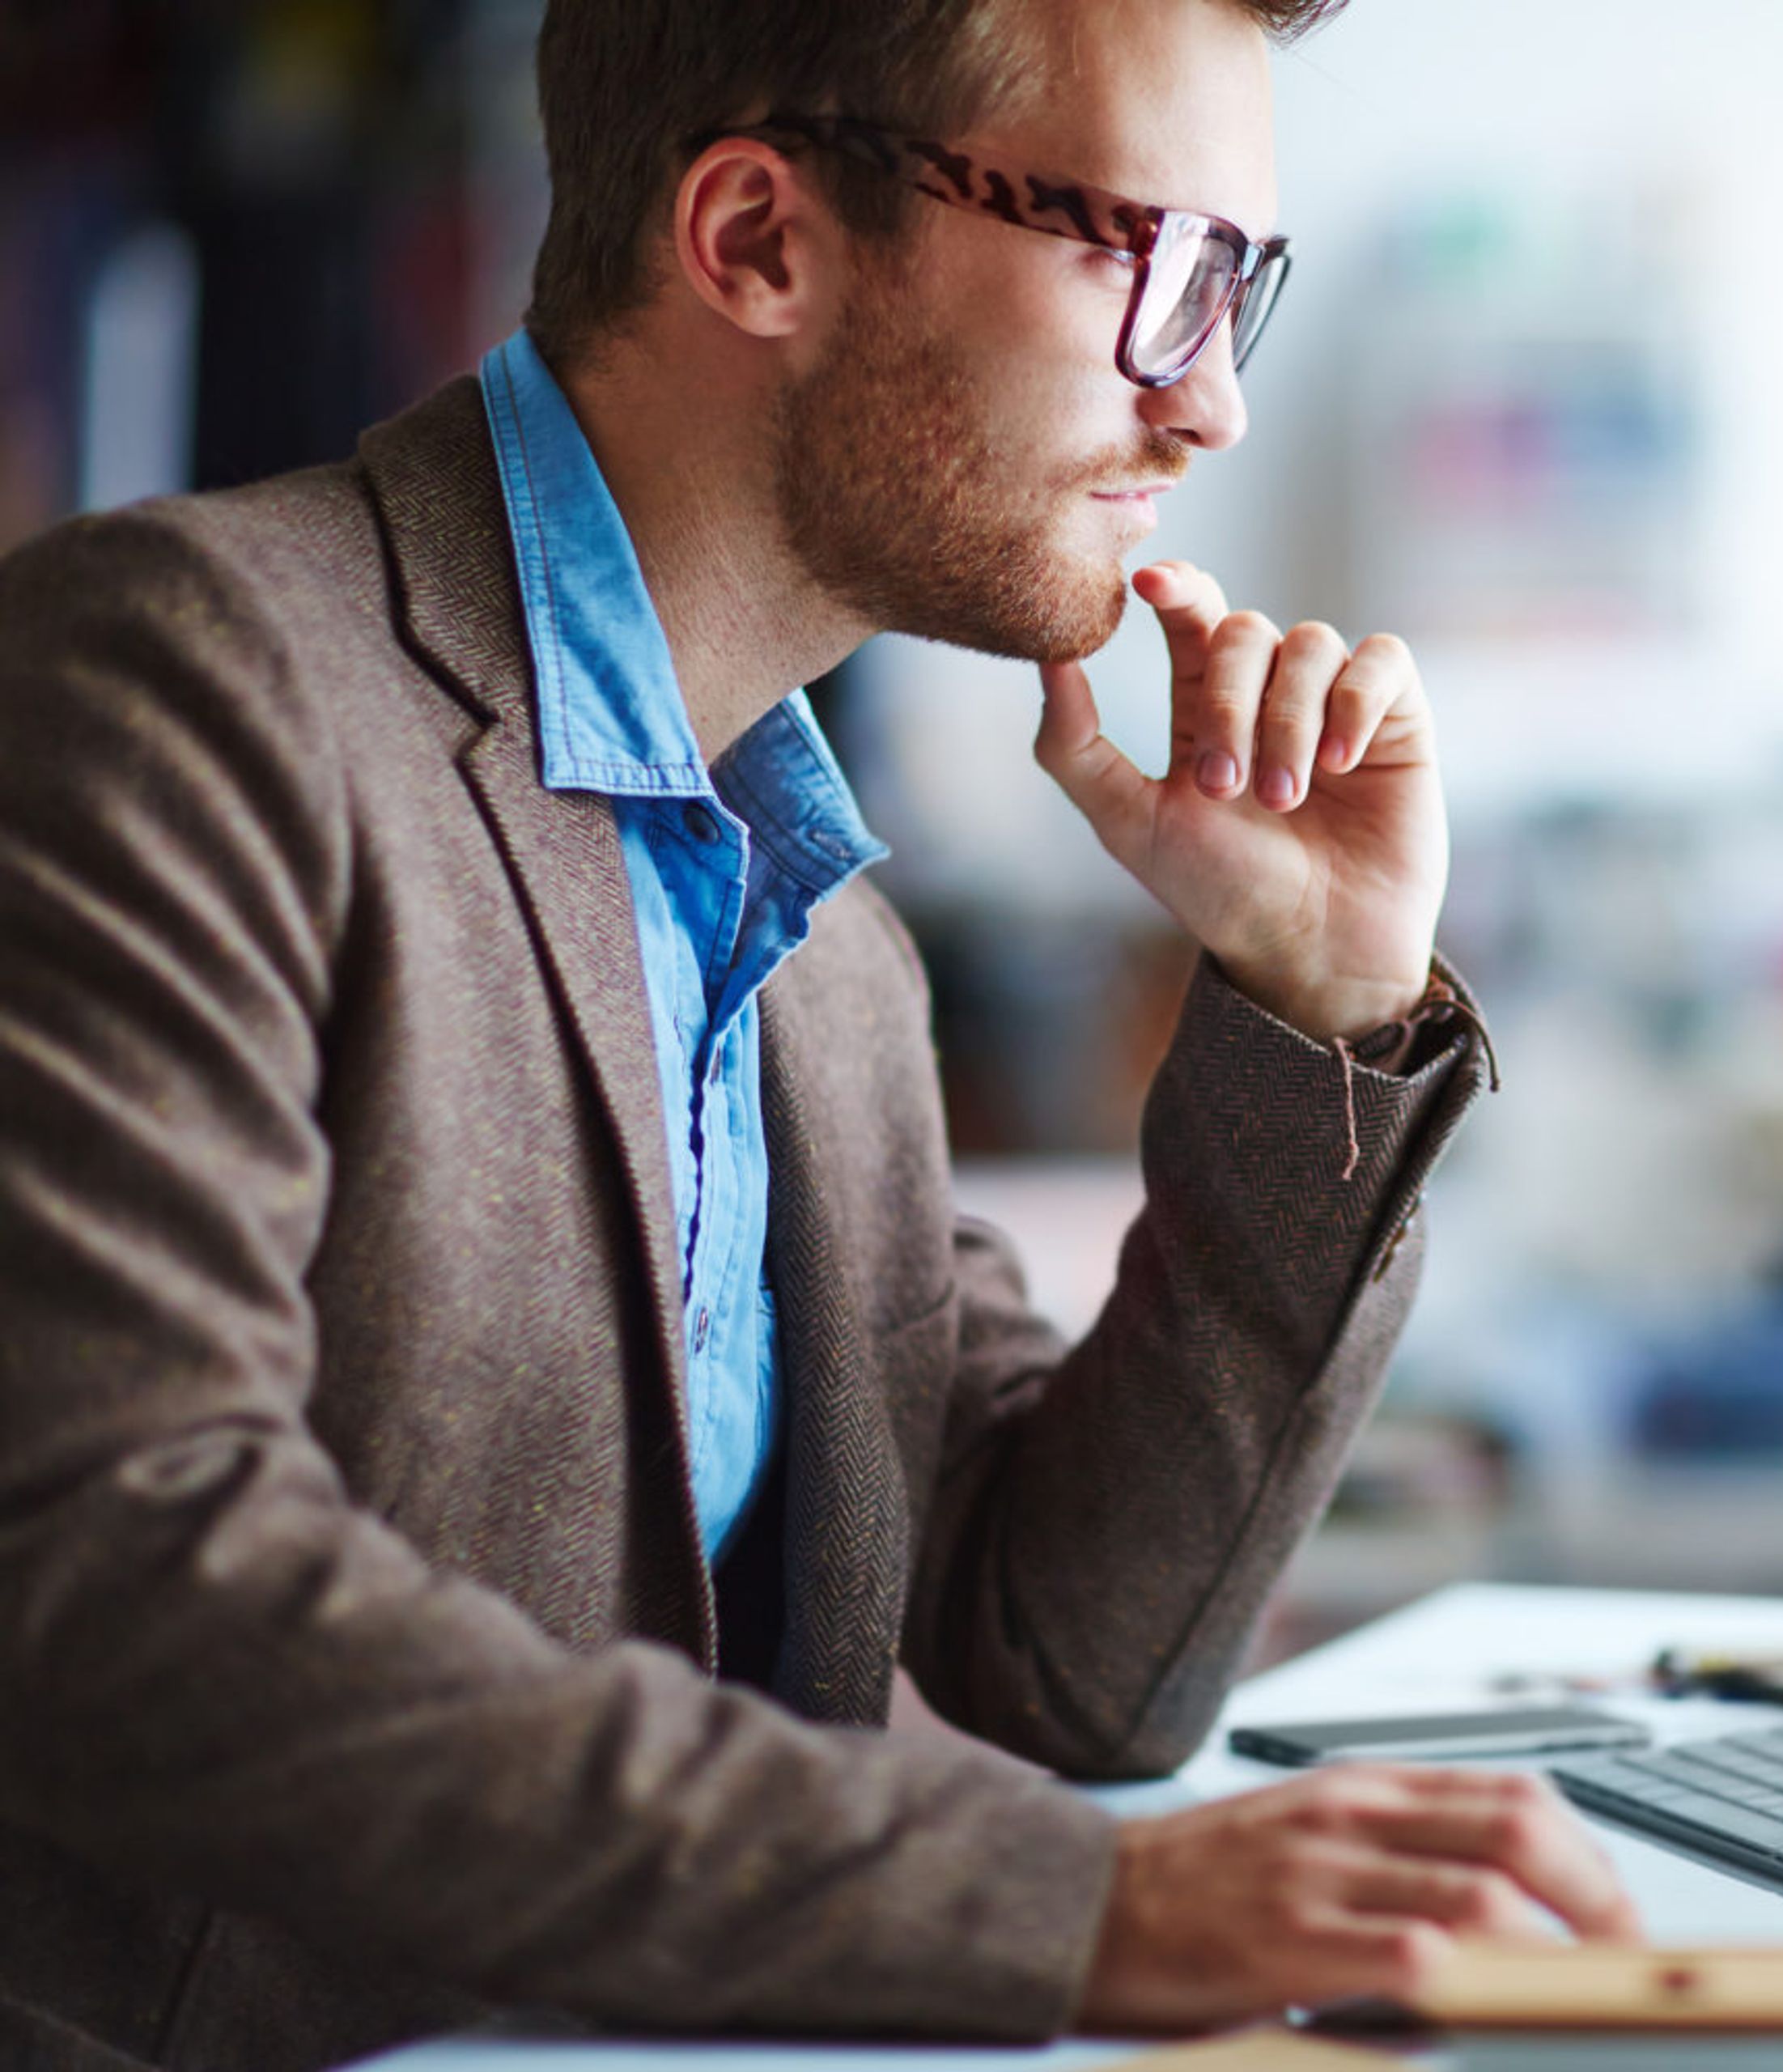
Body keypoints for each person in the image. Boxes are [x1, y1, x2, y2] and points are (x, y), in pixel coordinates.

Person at [0, 0, 1641, 2065]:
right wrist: (1067, 1903)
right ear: (761, 237)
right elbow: (117, 1578)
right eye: (1150, 268)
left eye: (1244, 287)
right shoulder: (184, 684)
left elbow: (1076, 1665)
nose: (1213, 400)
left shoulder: (824, 931)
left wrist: (1323, 1006)